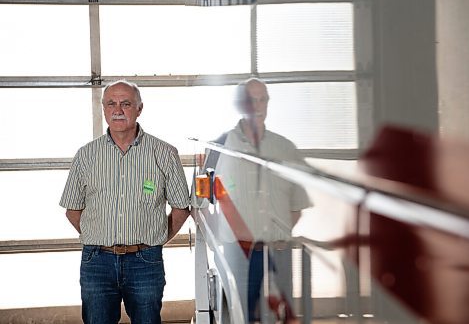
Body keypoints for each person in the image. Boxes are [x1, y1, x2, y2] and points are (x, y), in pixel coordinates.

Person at [60, 80, 191, 324]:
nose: (118, 109)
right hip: (97, 262)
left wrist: (155, 241)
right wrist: (98, 236)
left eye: (126, 103)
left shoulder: (164, 153)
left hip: (145, 262)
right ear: (104, 109)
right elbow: (72, 210)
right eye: (111, 103)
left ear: (139, 109)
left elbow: (181, 208)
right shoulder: (86, 155)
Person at [204, 78, 309, 323]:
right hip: (236, 252)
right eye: (250, 99)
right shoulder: (220, 146)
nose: (257, 105)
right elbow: (201, 205)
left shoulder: (285, 148)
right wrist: (223, 239)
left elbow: (298, 203)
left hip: (277, 251)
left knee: (277, 317)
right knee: (239, 315)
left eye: (262, 99)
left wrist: (279, 236)